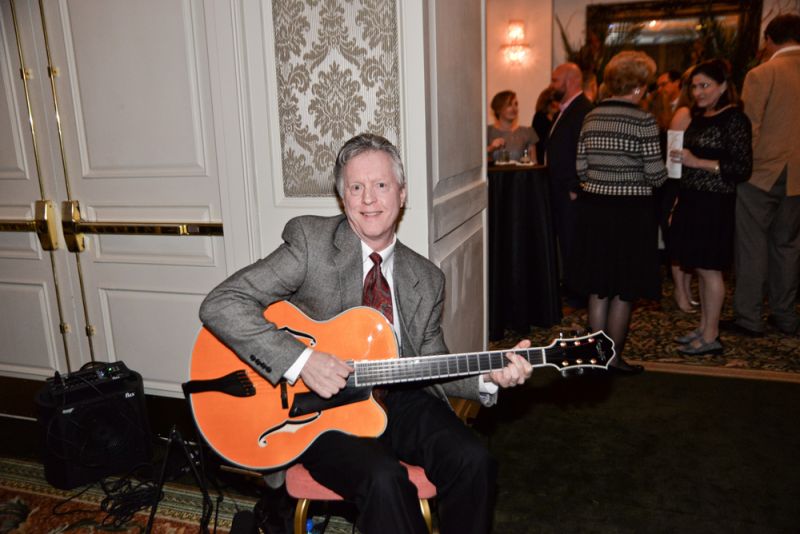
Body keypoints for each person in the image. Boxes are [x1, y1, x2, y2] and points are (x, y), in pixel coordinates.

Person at [199, 133, 533, 534]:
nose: (369, 200)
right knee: (384, 479)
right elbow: (222, 303)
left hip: (398, 398)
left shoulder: (426, 278)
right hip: (321, 411)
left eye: (381, 186)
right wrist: (302, 361)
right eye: (356, 188)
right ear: (343, 198)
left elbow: (432, 358)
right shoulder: (311, 243)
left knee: (475, 461)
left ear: (402, 193)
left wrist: (489, 375)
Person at [571, 51, 667, 374]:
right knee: (623, 289)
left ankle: (595, 358)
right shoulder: (644, 121)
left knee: (599, 287)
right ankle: (613, 359)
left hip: (595, 211)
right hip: (631, 215)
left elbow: (580, 169)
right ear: (639, 87)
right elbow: (655, 175)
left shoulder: (592, 116)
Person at [669, 59, 753, 355]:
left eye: (704, 85)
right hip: (692, 198)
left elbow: (742, 168)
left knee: (710, 269)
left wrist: (698, 162)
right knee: (701, 268)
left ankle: (712, 335)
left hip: (715, 202)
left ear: (723, 87)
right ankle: (705, 328)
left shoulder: (735, 119)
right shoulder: (700, 116)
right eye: (694, 86)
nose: (698, 92)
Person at [728, 13, 800, 337]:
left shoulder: (763, 73)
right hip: (799, 176)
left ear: (769, 39)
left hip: (763, 172)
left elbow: (749, 129)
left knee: (751, 244)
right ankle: (785, 316)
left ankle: (749, 317)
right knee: (787, 245)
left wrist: (741, 171)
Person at [545, 62, 594, 308]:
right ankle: (572, 287)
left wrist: (577, 185)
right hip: (560, 189)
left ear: (571, 81)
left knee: (574, 241)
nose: (552, 85)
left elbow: (585, 150)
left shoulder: (584, 109)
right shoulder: (564, 110)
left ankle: (579, 292)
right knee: (566, 240)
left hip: (572, 191)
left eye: (556, 80)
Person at [664, 68, 700, 314]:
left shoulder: (701, 113)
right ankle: (680, 291)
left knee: (690, 243)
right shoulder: (683, 113)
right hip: (677, 184)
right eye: (697, 86)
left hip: (695, 184)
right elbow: (672, 157)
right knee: (679, 242)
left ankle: (686, 291)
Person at [486, 90, 537, 163]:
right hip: (493, 174)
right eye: (509, 105)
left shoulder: (527, 132)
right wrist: (491, 148)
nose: (514, 108)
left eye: (516, 104)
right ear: (498, 109)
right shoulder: (487, 132)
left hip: (519, 174)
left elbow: (533, 163)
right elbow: (477, 159)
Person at [531, 87, 559, 165]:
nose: (558, 105)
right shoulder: (539, 117)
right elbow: (538, 141)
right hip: (542, 157)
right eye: (554, 102)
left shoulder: (560, 117)